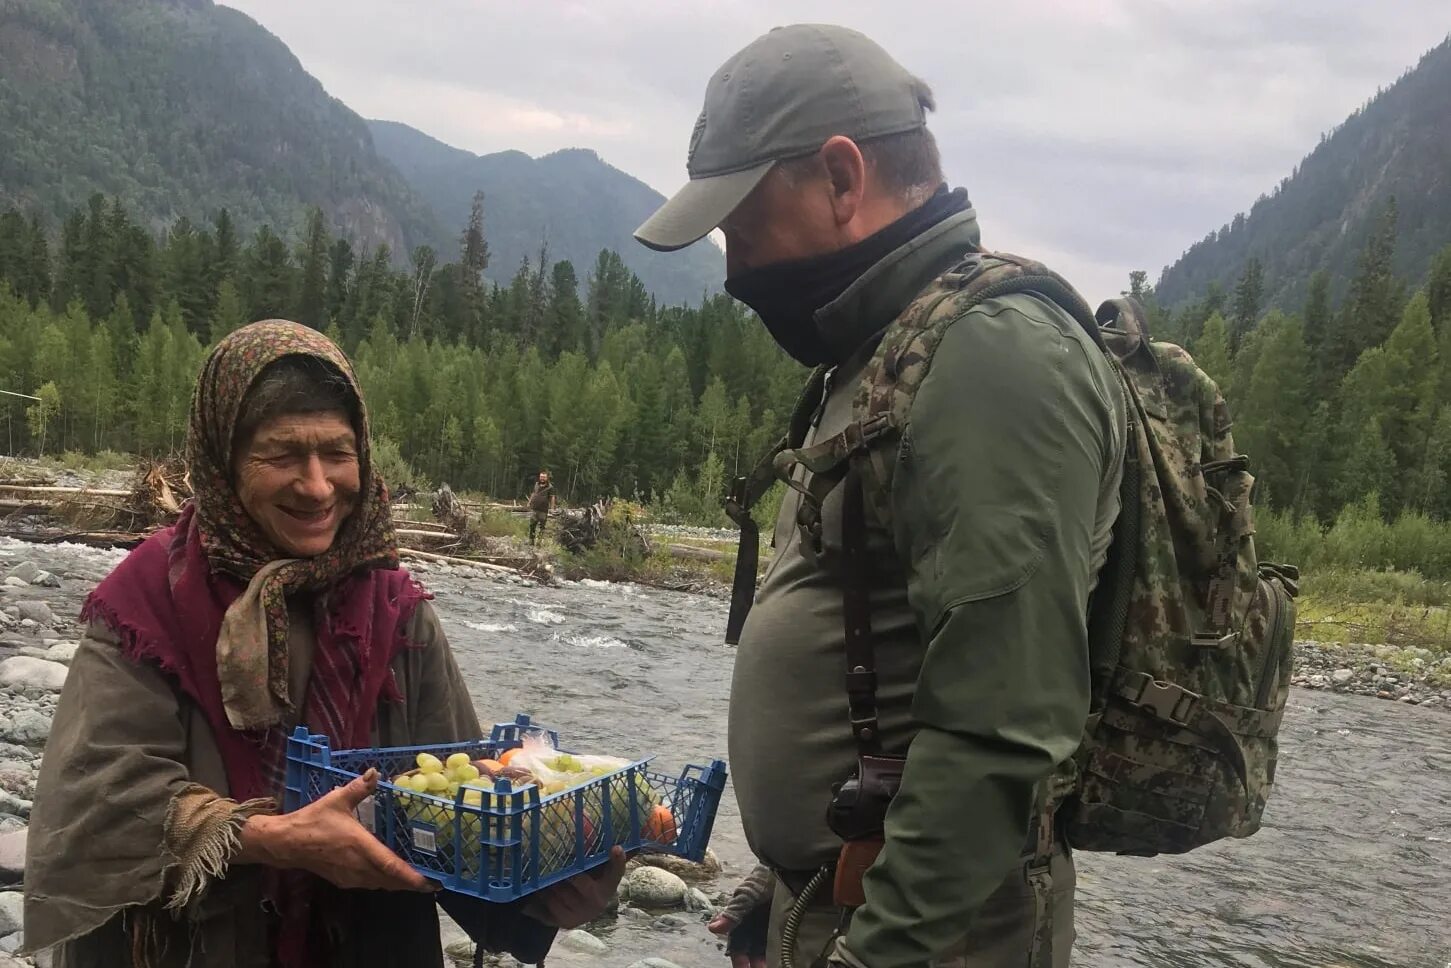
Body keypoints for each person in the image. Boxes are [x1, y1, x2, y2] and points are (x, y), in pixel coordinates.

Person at [636, 24, 1126, 968]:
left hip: (928, 937)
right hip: (845, 905)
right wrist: (779, 879)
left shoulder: (997, 356)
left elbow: (1002, 726)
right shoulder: (880, 351)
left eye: (741, 221)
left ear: (841, 176)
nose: (733, 265)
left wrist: (874, 951)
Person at [23, 321, 624, 967]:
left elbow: (460, 817)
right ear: (223, 458)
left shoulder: (394, 611)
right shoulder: (149, 601)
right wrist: (268, 838)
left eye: (337, 453)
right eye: (282, 455)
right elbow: (96, 799)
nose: (316, 486)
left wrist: (549, 892)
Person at [527, 470, 555, 546]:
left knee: (542, 527)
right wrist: (529, 502)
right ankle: (531, 541)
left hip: (543, 510)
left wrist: (552, 508)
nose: (542, 478)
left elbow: (552, 498)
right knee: (532, 525)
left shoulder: (550, 487)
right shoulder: (536, 484)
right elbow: (533, 493)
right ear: (539, 477)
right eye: (541, 477)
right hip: (535, 508)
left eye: (544, 477)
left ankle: (539, 542)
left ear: (547, 478)